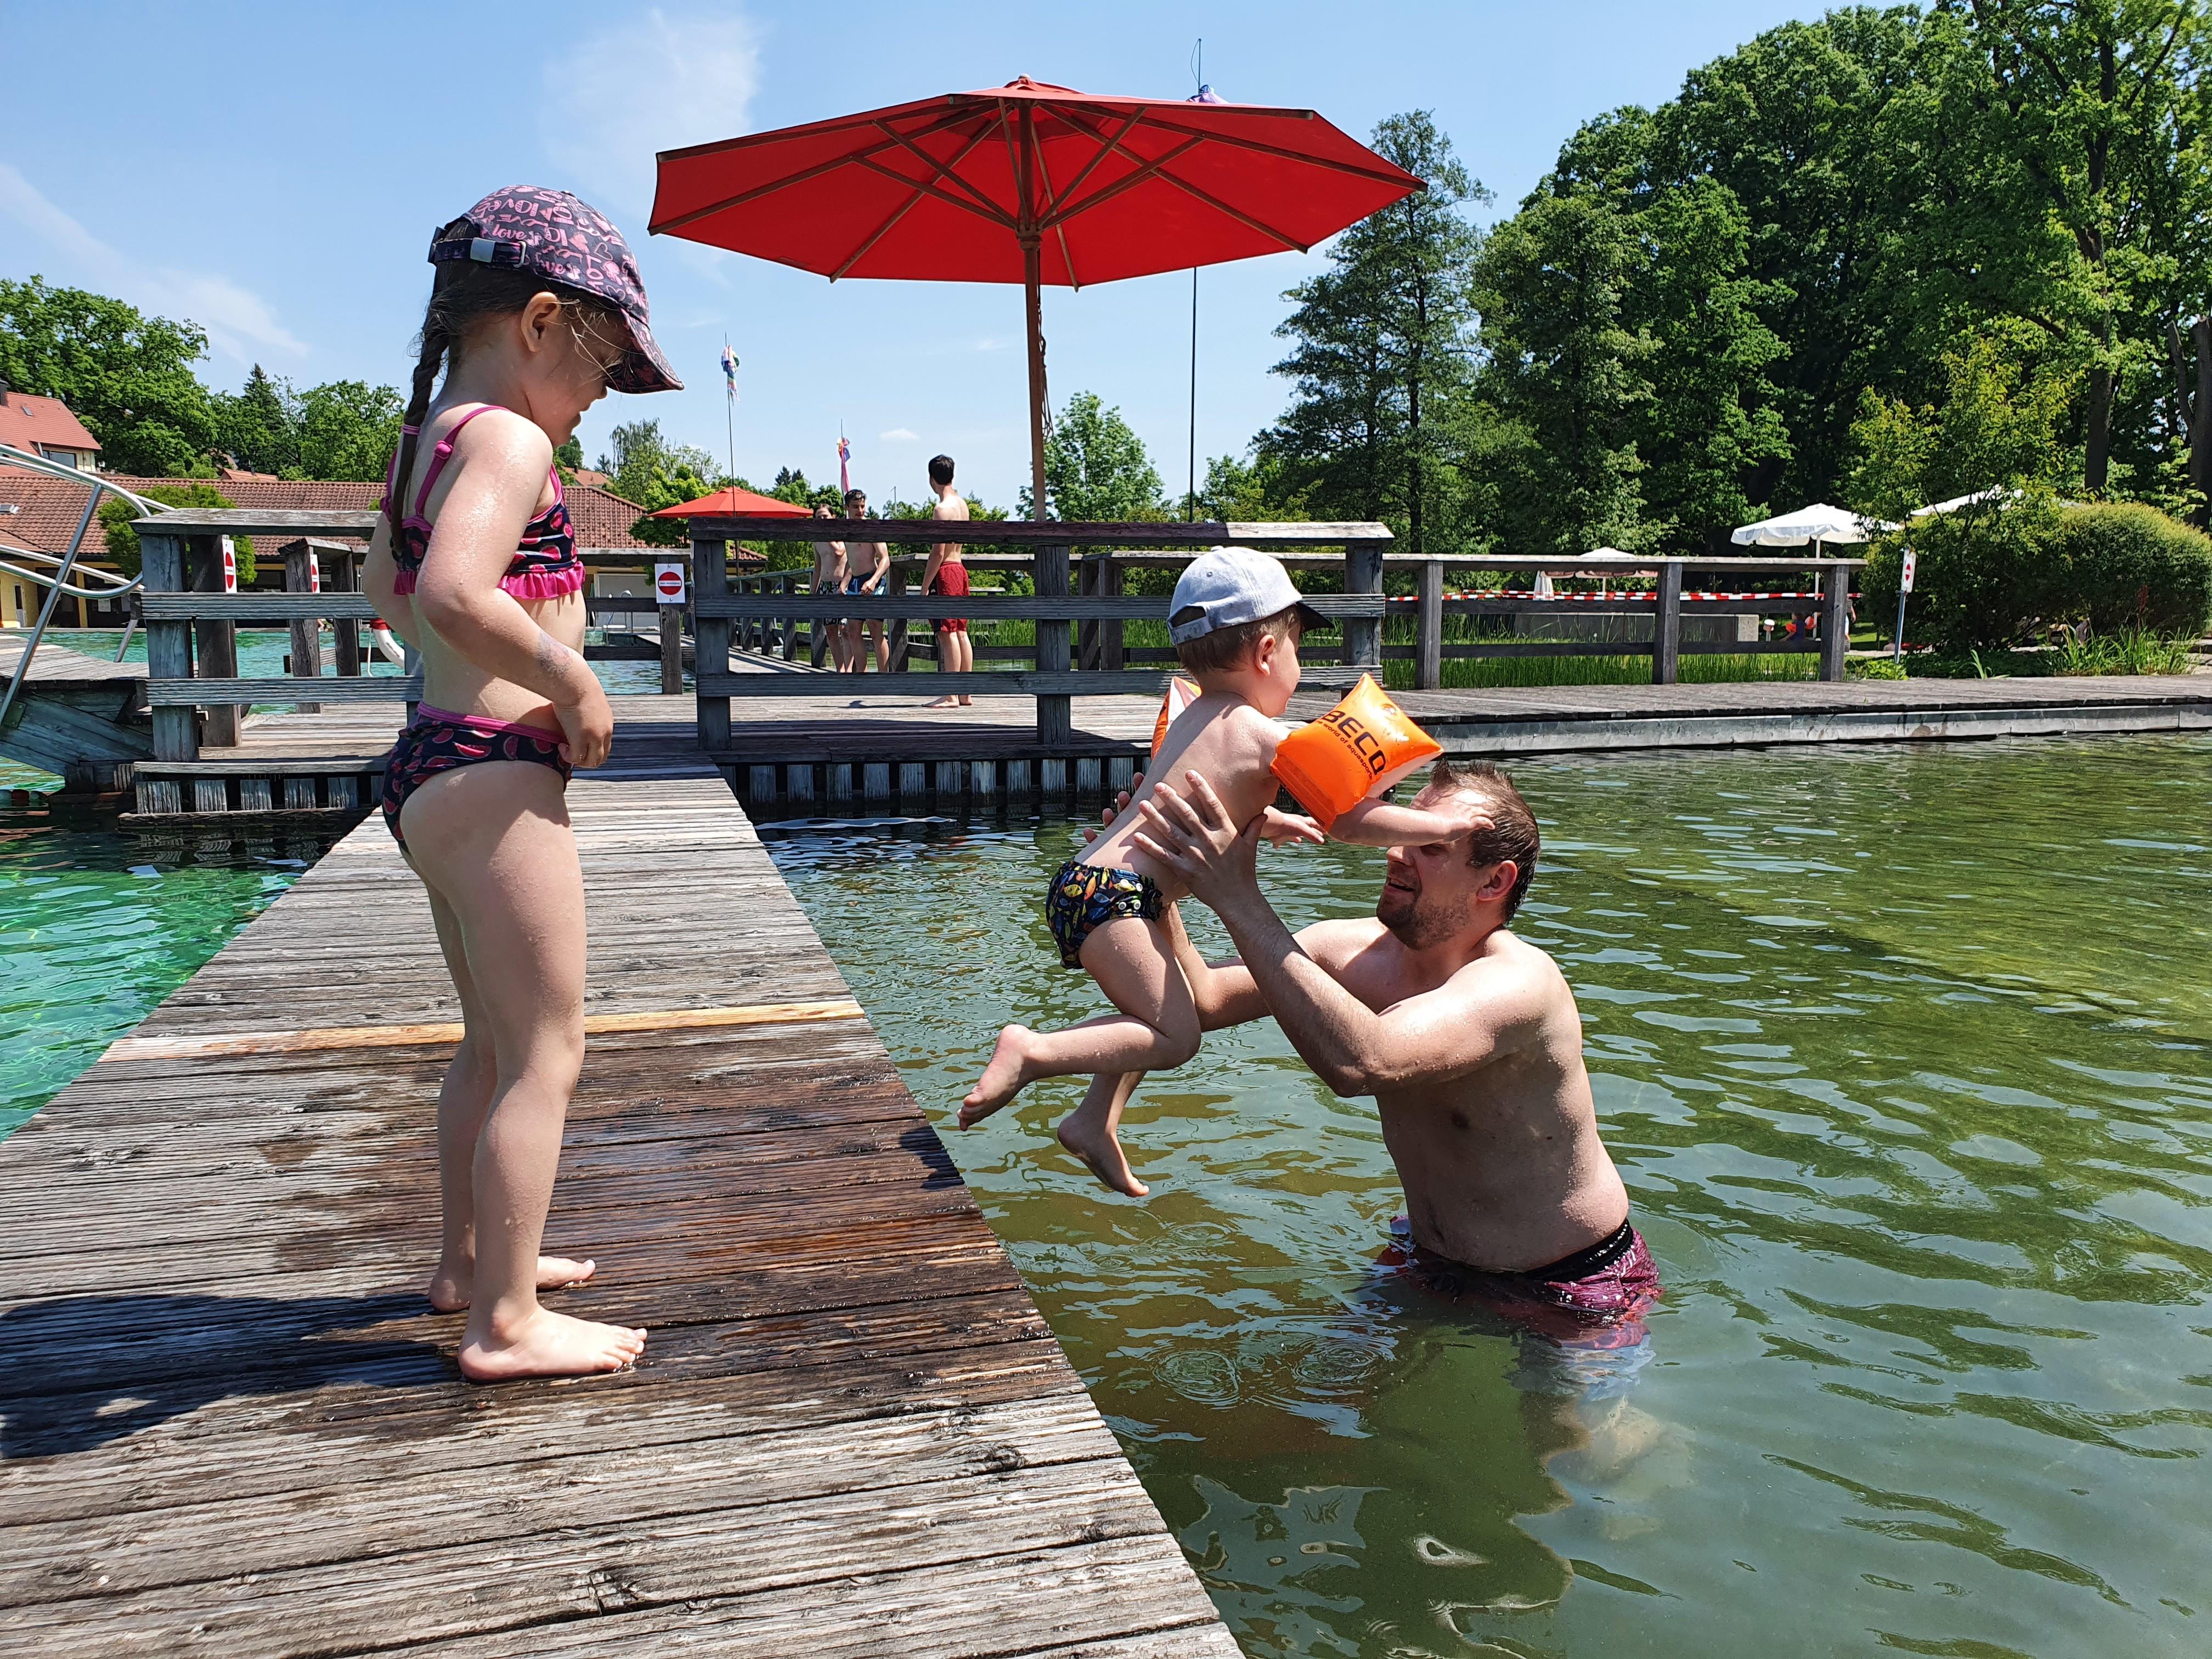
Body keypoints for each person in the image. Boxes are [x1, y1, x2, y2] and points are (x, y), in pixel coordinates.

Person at [363, 186, 681, 1380]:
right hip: (495, 775)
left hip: (429, 763)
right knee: (548, 1048)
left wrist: (485, 670)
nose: (604, 394)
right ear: (541, 322)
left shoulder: (428, 439)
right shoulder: (507, 436)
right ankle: (505, 1321)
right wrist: (570, 679)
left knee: (487, 1045)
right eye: (605, 359)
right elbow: (451, 594)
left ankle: (473, 1262)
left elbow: (388, 605)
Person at [956, 548, 1487, 1196]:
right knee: (1173, 1036)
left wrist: (1270, 821)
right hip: (1121, 899)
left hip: (1091, 885)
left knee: (1156, 1011)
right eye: (1299, 647)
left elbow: (1211, 797)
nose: (1301, 665)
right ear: (1267, 652)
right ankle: (1031, 1051)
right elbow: (1351, 819)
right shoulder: (1263, 735)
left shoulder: (1193, 720)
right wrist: (1443, 828)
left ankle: (1095, 1121)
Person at [1127, 757, 1660, 1345]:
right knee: (1333, 1403)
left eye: (1429, 846)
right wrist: (1156, 882)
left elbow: (1365, 1063)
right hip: (1429, 1259)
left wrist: (1238, 896)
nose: (1396, 852)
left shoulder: (1520, 984)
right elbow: (1204, 999)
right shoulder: (1349, 951)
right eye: (1402, 831)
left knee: (1571, 1440)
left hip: (1572, 1284)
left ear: (1493, 882)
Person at [921, 453, 973, 708]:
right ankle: (965, 692)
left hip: (947, 570)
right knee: (962, 630)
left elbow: (938, 552)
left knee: (947, 632)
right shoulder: (963, 506)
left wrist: (925, 586)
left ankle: (951, 694)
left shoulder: (941, 510)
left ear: (932, 480)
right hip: (961, 568)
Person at [839, 487, 890, 673]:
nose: (860, 511)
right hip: (855, 582)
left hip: (872, 579)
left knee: (876, 629)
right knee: (853, 630)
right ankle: (862, 674)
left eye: (862, 507)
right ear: (847, 508)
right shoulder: (845, 531)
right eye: (855, 507)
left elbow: (885, 559)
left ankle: (884, 677)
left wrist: (874, 581)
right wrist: (843, 583)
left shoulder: (872, 528)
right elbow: (851, 561)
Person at [810, 504, 850, 671]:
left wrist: (829, 536)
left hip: (841, 585)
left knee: (845, 629)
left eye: (826, 516)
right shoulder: (816, 540)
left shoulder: (841, 535)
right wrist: (813, 590)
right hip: (826, 586)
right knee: (831, 630)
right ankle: (840, 669)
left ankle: (849, 670)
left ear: (833, 517)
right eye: (819, 517)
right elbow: (818, 566)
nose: (822, 520)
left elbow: (840, 552)